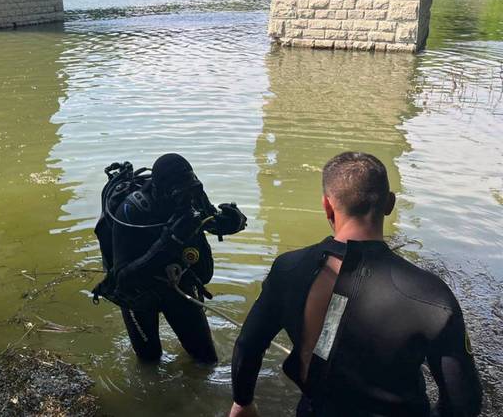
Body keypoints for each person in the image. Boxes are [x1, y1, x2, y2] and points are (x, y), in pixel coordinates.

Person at [229, 152, 483, 417]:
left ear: (327, 206)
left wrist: (243, 402)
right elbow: (463, 401)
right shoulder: (433, 297)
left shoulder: (288, 269)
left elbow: (248, 345)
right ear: (390, 204)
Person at [103, 153, 247, 364]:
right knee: (150, 361)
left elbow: (210, 221)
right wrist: (170, 242)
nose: (187, 200)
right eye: (180, 195)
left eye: (192, 191)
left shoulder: (192, 194)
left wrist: (233, 222)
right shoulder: (131, 211)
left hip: (181, 283)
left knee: (206, 360)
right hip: (139, 294)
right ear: (161, 192)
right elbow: (123, 280)